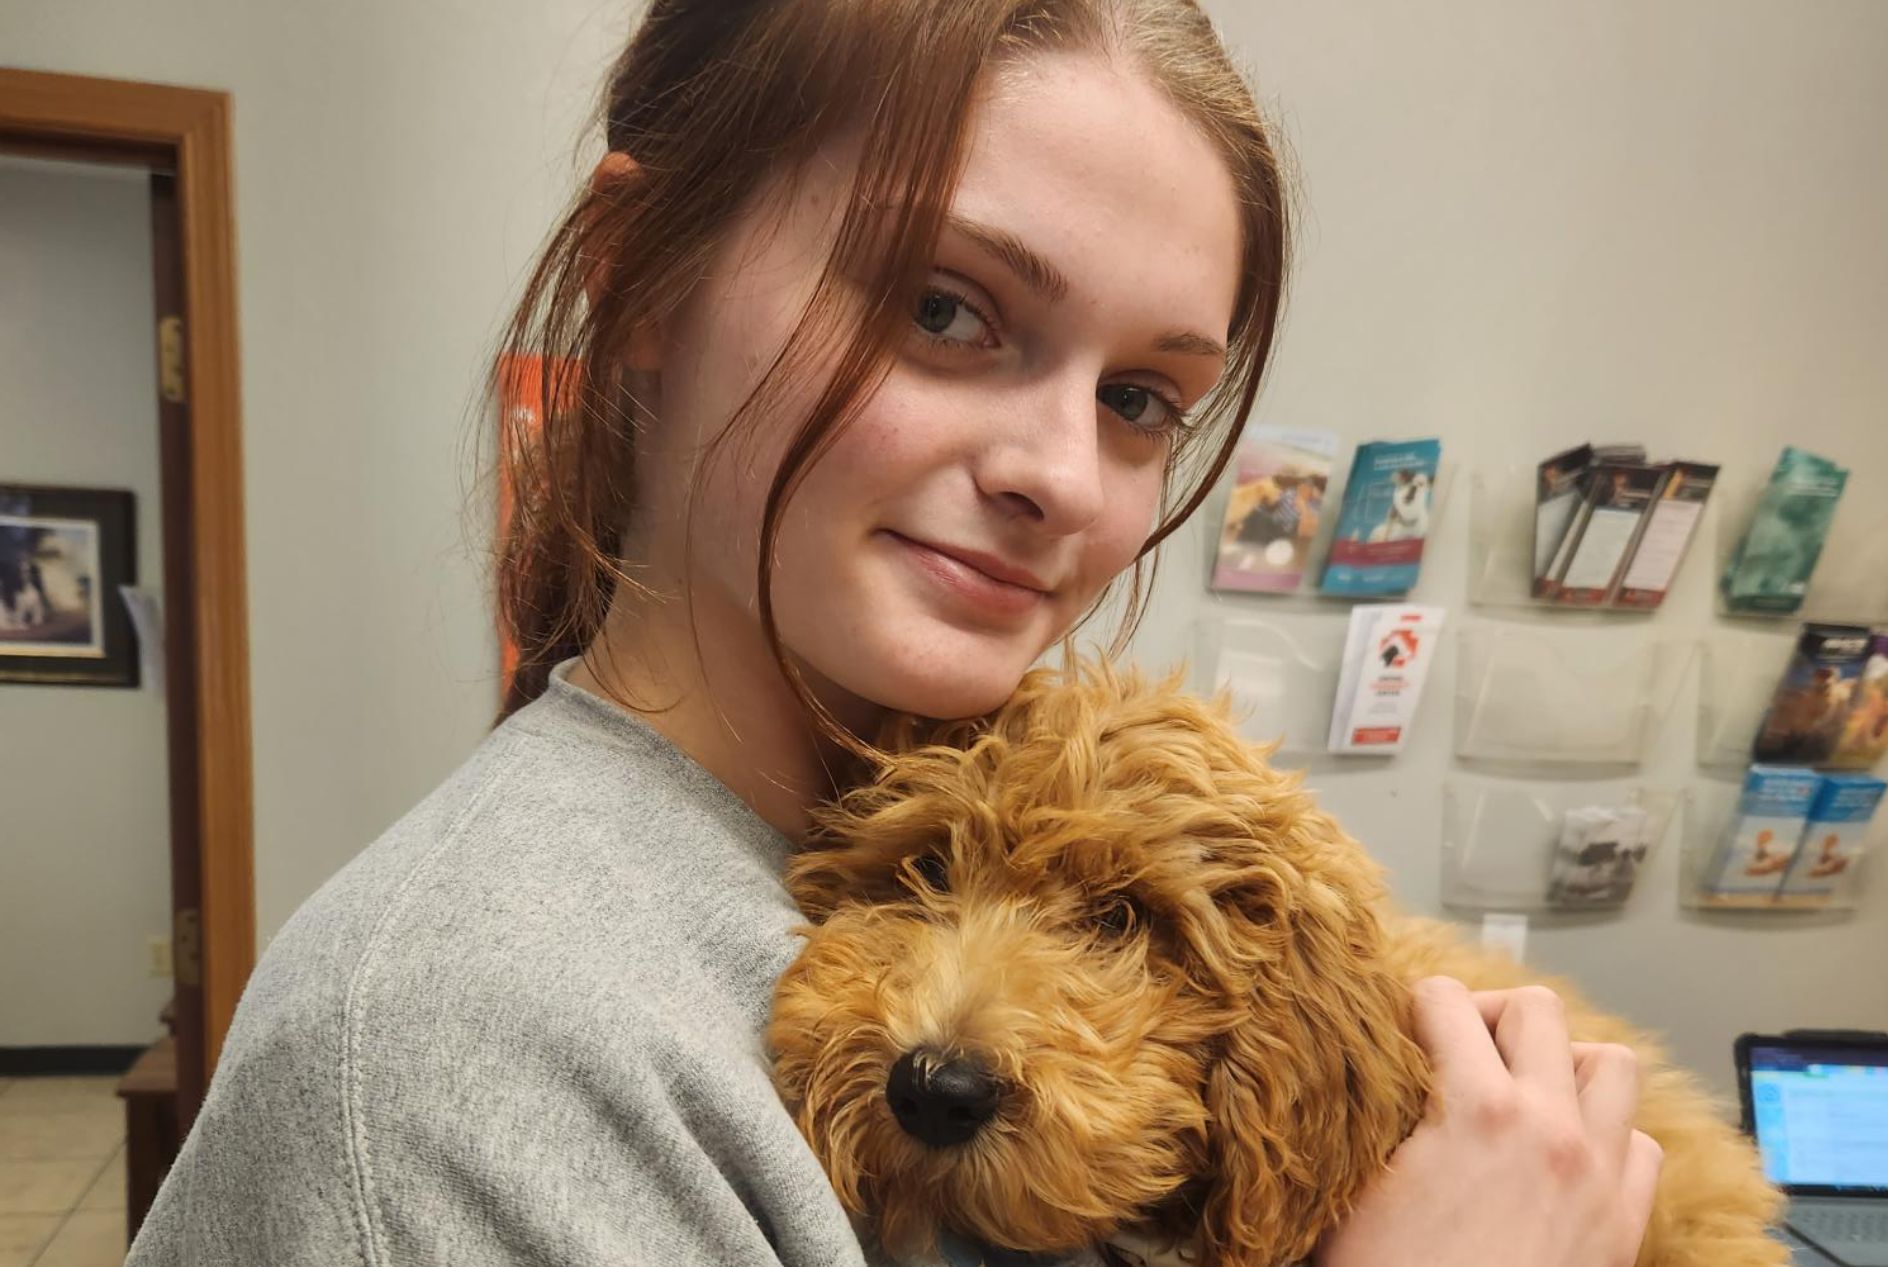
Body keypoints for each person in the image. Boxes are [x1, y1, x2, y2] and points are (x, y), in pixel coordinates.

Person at [128, 2, 1661, 1265]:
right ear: (643, 280)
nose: (1060, 476)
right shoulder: (461, 1050)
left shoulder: (872, 861)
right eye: (946, 308)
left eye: (1139, 401)